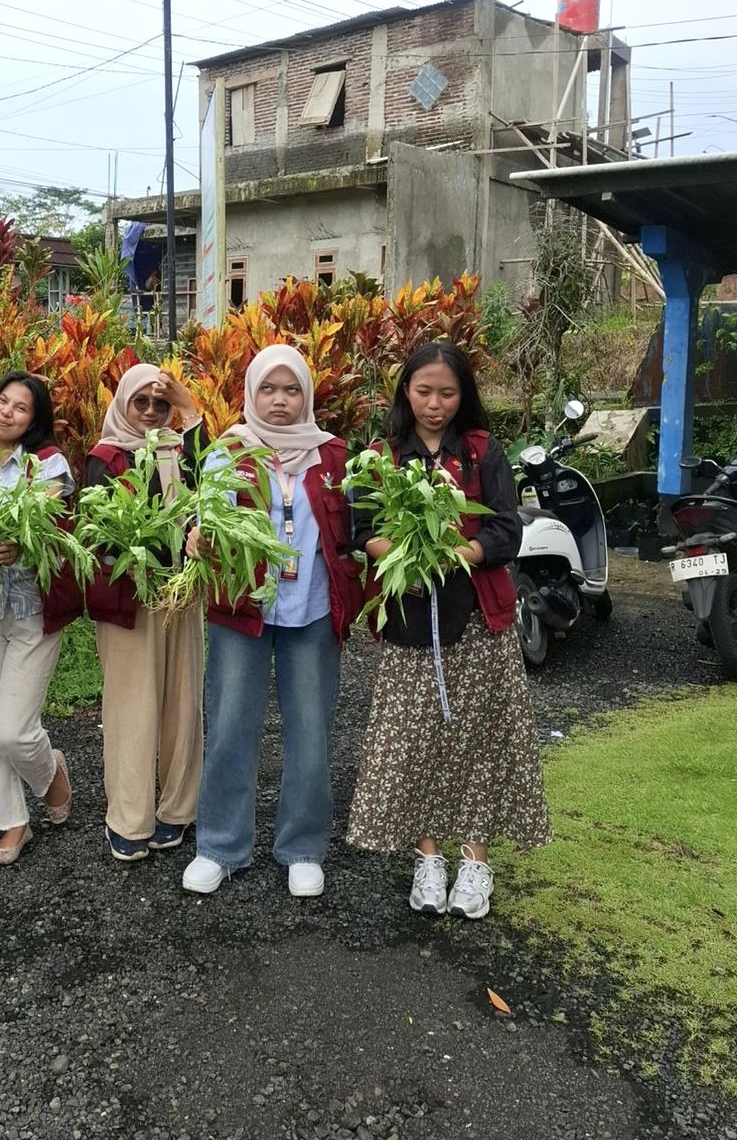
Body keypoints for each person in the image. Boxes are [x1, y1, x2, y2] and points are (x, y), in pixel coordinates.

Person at [346, 341, 551, 920]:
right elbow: (360, 530)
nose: (435, 405)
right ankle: (428, 857)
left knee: (480, 742)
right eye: (424, 391)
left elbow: (508, 531)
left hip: (479, 626)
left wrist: (462, 549)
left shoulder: (483, 451)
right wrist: (403, 556)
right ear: (405, 391)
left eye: (448, 393)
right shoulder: (382, 455)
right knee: (415, 742)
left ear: (464, 397)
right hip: (413, 624)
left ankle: (475, 863)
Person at [181, 346, 362, 899]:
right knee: (231, 723)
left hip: (310, 608)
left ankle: (303, 847)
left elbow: (356, 527)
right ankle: (220, 845)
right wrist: (196, 535)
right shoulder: (227, 453)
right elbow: (202, 517)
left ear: (306, 395)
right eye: (268, 389)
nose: (279, 401)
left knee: (311, 727)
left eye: (291, 390)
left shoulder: (332, 456)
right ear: (251, 393)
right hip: (242, 609)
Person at [0, 372, 78, 866]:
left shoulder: (49, 464)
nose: (6, 411)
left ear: (33, 421)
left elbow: (37, 514)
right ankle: (11, 823)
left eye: (20, 407)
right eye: (0, 400)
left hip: (33, 611)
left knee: (15, 730)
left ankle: (51, 775)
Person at [85, 365, 206, 863]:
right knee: (132, 706)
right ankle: (130, 818)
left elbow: (209, 490)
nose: (153, 413)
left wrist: (191, 408)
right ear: (122, 405)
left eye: (161, 405)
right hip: (132, 595)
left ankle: (176, 810)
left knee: (182, 699)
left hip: (181, 592)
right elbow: (99, 528)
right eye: (142, 403)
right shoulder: (107, 456)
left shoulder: (178, 449)